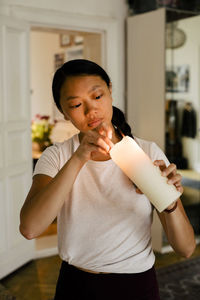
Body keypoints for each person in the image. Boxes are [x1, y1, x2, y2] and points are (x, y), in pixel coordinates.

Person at [20, 59, 196, 300]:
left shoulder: (146, 153)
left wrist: (171, 203)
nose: (90, 110)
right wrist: (79, 157)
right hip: (76, 286)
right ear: (63, 112)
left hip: (137, 286)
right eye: (76, 104)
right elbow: (30, 228)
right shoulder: (57, 156)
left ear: (110, 90)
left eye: (97, 96)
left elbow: (186, 249)